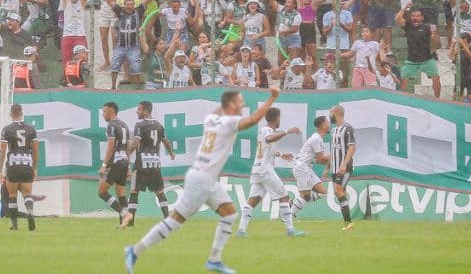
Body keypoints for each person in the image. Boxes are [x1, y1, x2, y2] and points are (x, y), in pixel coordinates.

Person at [125, 86, 281, 274]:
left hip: (204, 177)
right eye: (240, 101)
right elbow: (254, 119)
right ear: (230, 106)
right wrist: (272, 97)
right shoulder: (229, 122)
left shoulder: (212, 119)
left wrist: (230, 92)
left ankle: (214, 260)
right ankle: (134, 251)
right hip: (202, 179)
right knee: (175, 221)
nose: (243, 104)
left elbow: (220, 109)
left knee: (230, 213)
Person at [236, 108, 304, 238]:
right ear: (276, 118)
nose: (280, 120)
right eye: (279, 118)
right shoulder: (267, 131)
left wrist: (281, 154)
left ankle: (241, 231)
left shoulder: (264, 130)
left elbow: (267, 148)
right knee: (284, 197)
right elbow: (268, 139)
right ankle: (290, 230)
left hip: (257, 170)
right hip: (265, 170)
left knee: (252, 201)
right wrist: (287, 131)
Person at [120, 100, 176, 228]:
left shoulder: (140, 125)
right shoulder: (158, 125)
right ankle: (168, 220)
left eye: (139, 109)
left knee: (134, 191)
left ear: (145, 111)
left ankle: (131, 223)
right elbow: (165, 140)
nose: (137, 111)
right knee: (160, 191)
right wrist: (171, 152)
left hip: (142, 163)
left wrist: (126, 154)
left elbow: (134, 143)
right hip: (155, 163)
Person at [0, 103, 40, 231]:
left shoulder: (7, 129)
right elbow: (35, 150)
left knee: (12, 195)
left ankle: (15, 225)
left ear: (11, 114)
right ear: (22, 113)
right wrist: (34, 167)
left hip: (13, 165)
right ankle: (30, 213)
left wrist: (0, 170)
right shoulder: (31, 129)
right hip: (27, 163)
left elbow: (2, 150)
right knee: (27, 194)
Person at [289, 115, 330, 218]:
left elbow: (318, 160)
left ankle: (294, 203)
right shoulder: (316, 139)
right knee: (306, 196)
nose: (329, 125)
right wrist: (334, 157)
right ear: (323, 125)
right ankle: (288, 217)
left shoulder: (318, 138)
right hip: (302, 167)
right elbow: (321, 159)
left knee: (323, 192)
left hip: (306, 167)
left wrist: (330, 160)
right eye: (327, 122)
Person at [99, 101, 130, 219]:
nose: (103, 114)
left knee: (102, 192)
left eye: (104, 111)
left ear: (111, 111)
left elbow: (111, 145)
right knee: (120, 192)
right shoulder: (124, 125)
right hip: (124, 161)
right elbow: (128, 145)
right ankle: (127, 223)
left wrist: (104, 164)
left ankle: (124, 214)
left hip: (115, 162)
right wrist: (128, 166)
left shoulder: (111, 125)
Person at [329, 104, 357, 230]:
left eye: (330, 113)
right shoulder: (334, 130)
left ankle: (349, 222)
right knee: (341, 192)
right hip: (334, 168)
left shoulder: (348, 128)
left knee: (338, 190)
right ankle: (348, 224)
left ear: (336, 114)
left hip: (344, 167)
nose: (329, 116)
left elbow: (352, 147)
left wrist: (344, 164)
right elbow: (333, 150)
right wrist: (327, 167)